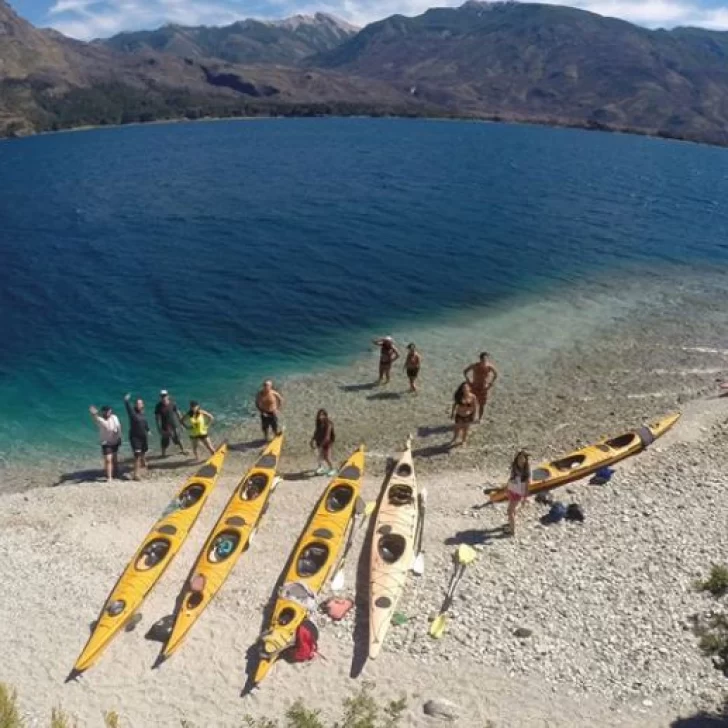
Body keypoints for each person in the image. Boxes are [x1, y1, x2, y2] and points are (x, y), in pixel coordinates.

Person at [463, 352, 499, 423]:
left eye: (486, 359)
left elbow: (496, 375)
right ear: (480, 359)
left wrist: (490, 384)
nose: (484, 361)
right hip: (474, 387)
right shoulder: (475, 365)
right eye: (483, 359)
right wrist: (469, 381)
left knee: (482, 405)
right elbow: (465, 372)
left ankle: (479, 419)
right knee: (472, 403)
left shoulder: (489, 367)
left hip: (484, 388)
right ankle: (471, 417)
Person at [89, 405, 121, 481]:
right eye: (107, 412)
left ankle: (116, 473)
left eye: (109, 412)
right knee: (108, 459)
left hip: (115, 440)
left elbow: (119, 426)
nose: (108, 413)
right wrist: (93, 413)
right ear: (103, 412)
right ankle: (109, 477)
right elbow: (95, 418)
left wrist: (119, 436)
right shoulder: (101, 420)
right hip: (105, 442)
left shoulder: (114, 417)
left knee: (115, 459)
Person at [124, 393, 150, 481]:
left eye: (140, 403)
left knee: (143, 452)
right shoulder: (133, 413)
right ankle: (136, 475)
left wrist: (148, 430)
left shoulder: (143, 413)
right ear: (135, 405)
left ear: (142, 405)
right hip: (135, 437)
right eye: (137, 403)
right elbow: (128, 409)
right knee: (137, 455)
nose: (139, 405)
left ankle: (143, 463)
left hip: (143, 436)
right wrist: (126, 400)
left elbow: (145, 423)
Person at [154, 390, 186, 457]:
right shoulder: (158, 406)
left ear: (168, 396)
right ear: (160, 397)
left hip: (174, 426)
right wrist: (158, 428)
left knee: (178, 439)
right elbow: (157, 418)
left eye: (165, 395)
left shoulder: (173, 404)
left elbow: (178, 414)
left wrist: (182, 424)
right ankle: (163, 455)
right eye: (162, 396)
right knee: (164, 442)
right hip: (164, 427)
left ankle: (183, 451)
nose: (163, 397)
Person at [506, 450, 530, 536]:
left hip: (518, 492)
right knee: (512, 509)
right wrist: (507, 488)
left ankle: (512, 531)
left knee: (509, 511)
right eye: (519, 458)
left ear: (525, 460)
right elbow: (511, 478)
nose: (521, 460)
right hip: (512, 488)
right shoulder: (515, 466)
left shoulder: (526, 472)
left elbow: (527, 486)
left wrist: (525, 498)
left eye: (523, 459)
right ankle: (512, 523)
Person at [450, 381, 477, 447]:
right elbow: (454, 405)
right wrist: (452, 413)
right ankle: (454, 439)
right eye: (464, 388)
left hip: (468, 416)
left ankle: (463, 441)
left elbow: (475, 407)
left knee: (465, 430)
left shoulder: (473, 397)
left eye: (466, 387)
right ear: (461, 389)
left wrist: (474, 416)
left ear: (469, 388)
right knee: (457, 428)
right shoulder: (459, 396)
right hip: (459, 415)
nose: (465, 389)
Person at [310, 409, 336, 476]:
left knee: (327, 457)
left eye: (321, 415)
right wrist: (312, 440)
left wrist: (322, 444)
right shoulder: (319, 423)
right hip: (319, 441)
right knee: (319, 456)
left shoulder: (328, 423)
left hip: (327, 443)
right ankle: (320, 467)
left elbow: (327, 436)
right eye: (319, 415)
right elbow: (316, 432)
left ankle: (332, 469)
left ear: (325, 415)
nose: (320, 417)